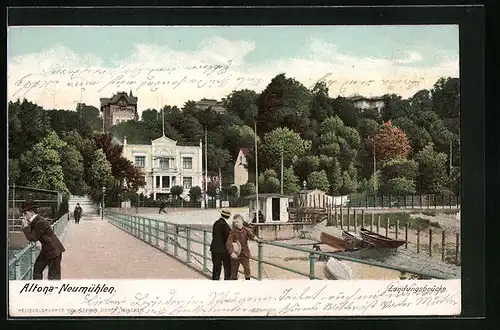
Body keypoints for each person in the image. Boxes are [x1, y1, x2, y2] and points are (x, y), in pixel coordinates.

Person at [20, 200, 66, 280]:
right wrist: (37, 240)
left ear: (31, 212)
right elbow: (35, 236)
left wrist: (25, 227)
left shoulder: (39, 222)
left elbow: (32, 237)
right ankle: (38, 289)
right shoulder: (35, 220)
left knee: (53, 277)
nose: (24, 216)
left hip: (53, 251)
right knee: (37, 270)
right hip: (46, 250)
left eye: (25, 213)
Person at [227, 214, 261, 280]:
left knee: (247, 270)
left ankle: (247, 284)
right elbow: (229, 243)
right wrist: (231, 252)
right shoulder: (232, 232)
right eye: (235, 222)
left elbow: (251, 235)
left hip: (245, 254)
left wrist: (256, 239)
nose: (236, 224)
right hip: (236, 254)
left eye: (237, 222)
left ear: (242, 221)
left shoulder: (246, 230)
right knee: (234, 272)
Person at [209, 208, 232, 280]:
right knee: (227, 268)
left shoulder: (216, 223)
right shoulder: (225, 225)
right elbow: (228, 237)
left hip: (214, 248)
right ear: (228, 216)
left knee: (216, 268)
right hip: (223, 250)